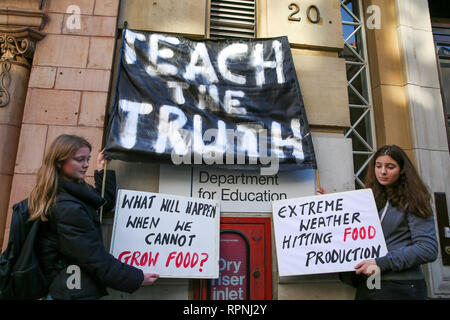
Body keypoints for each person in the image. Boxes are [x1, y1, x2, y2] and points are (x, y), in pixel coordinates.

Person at [29, 134, 158, 299]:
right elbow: (94, 258)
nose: (85, 165)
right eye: (79, 159)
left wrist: (102, 170)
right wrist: (137, 278)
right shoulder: (67, 208)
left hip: (70, 289)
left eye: (87, 159)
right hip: (70, 292)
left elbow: (102, 204)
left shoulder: (70, 192)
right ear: (60, 162)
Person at [317, 145, 438, 300]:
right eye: (378, 166)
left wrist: (381, 262)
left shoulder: (414, 200)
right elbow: (350, 229)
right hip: (369, 285)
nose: (383, 172)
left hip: (401, 287)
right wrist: (330, 206)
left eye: (390, 167)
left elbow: (427, 248)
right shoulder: (369, 199)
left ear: (402, 170)